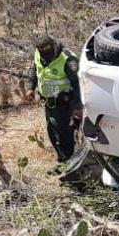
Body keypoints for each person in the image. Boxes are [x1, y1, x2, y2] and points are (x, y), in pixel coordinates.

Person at [25, 35, 83, 164]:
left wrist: (78, 107)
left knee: (65, 135)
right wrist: (31, 87)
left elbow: (78, 83)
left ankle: (70, 164)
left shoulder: (68, 59)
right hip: (49, 102)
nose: (46, 57)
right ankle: (62, 159)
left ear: (54, 46)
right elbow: (36, 69)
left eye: (48, 54)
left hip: (65, 103)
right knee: (52, 132)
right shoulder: (39, 54)